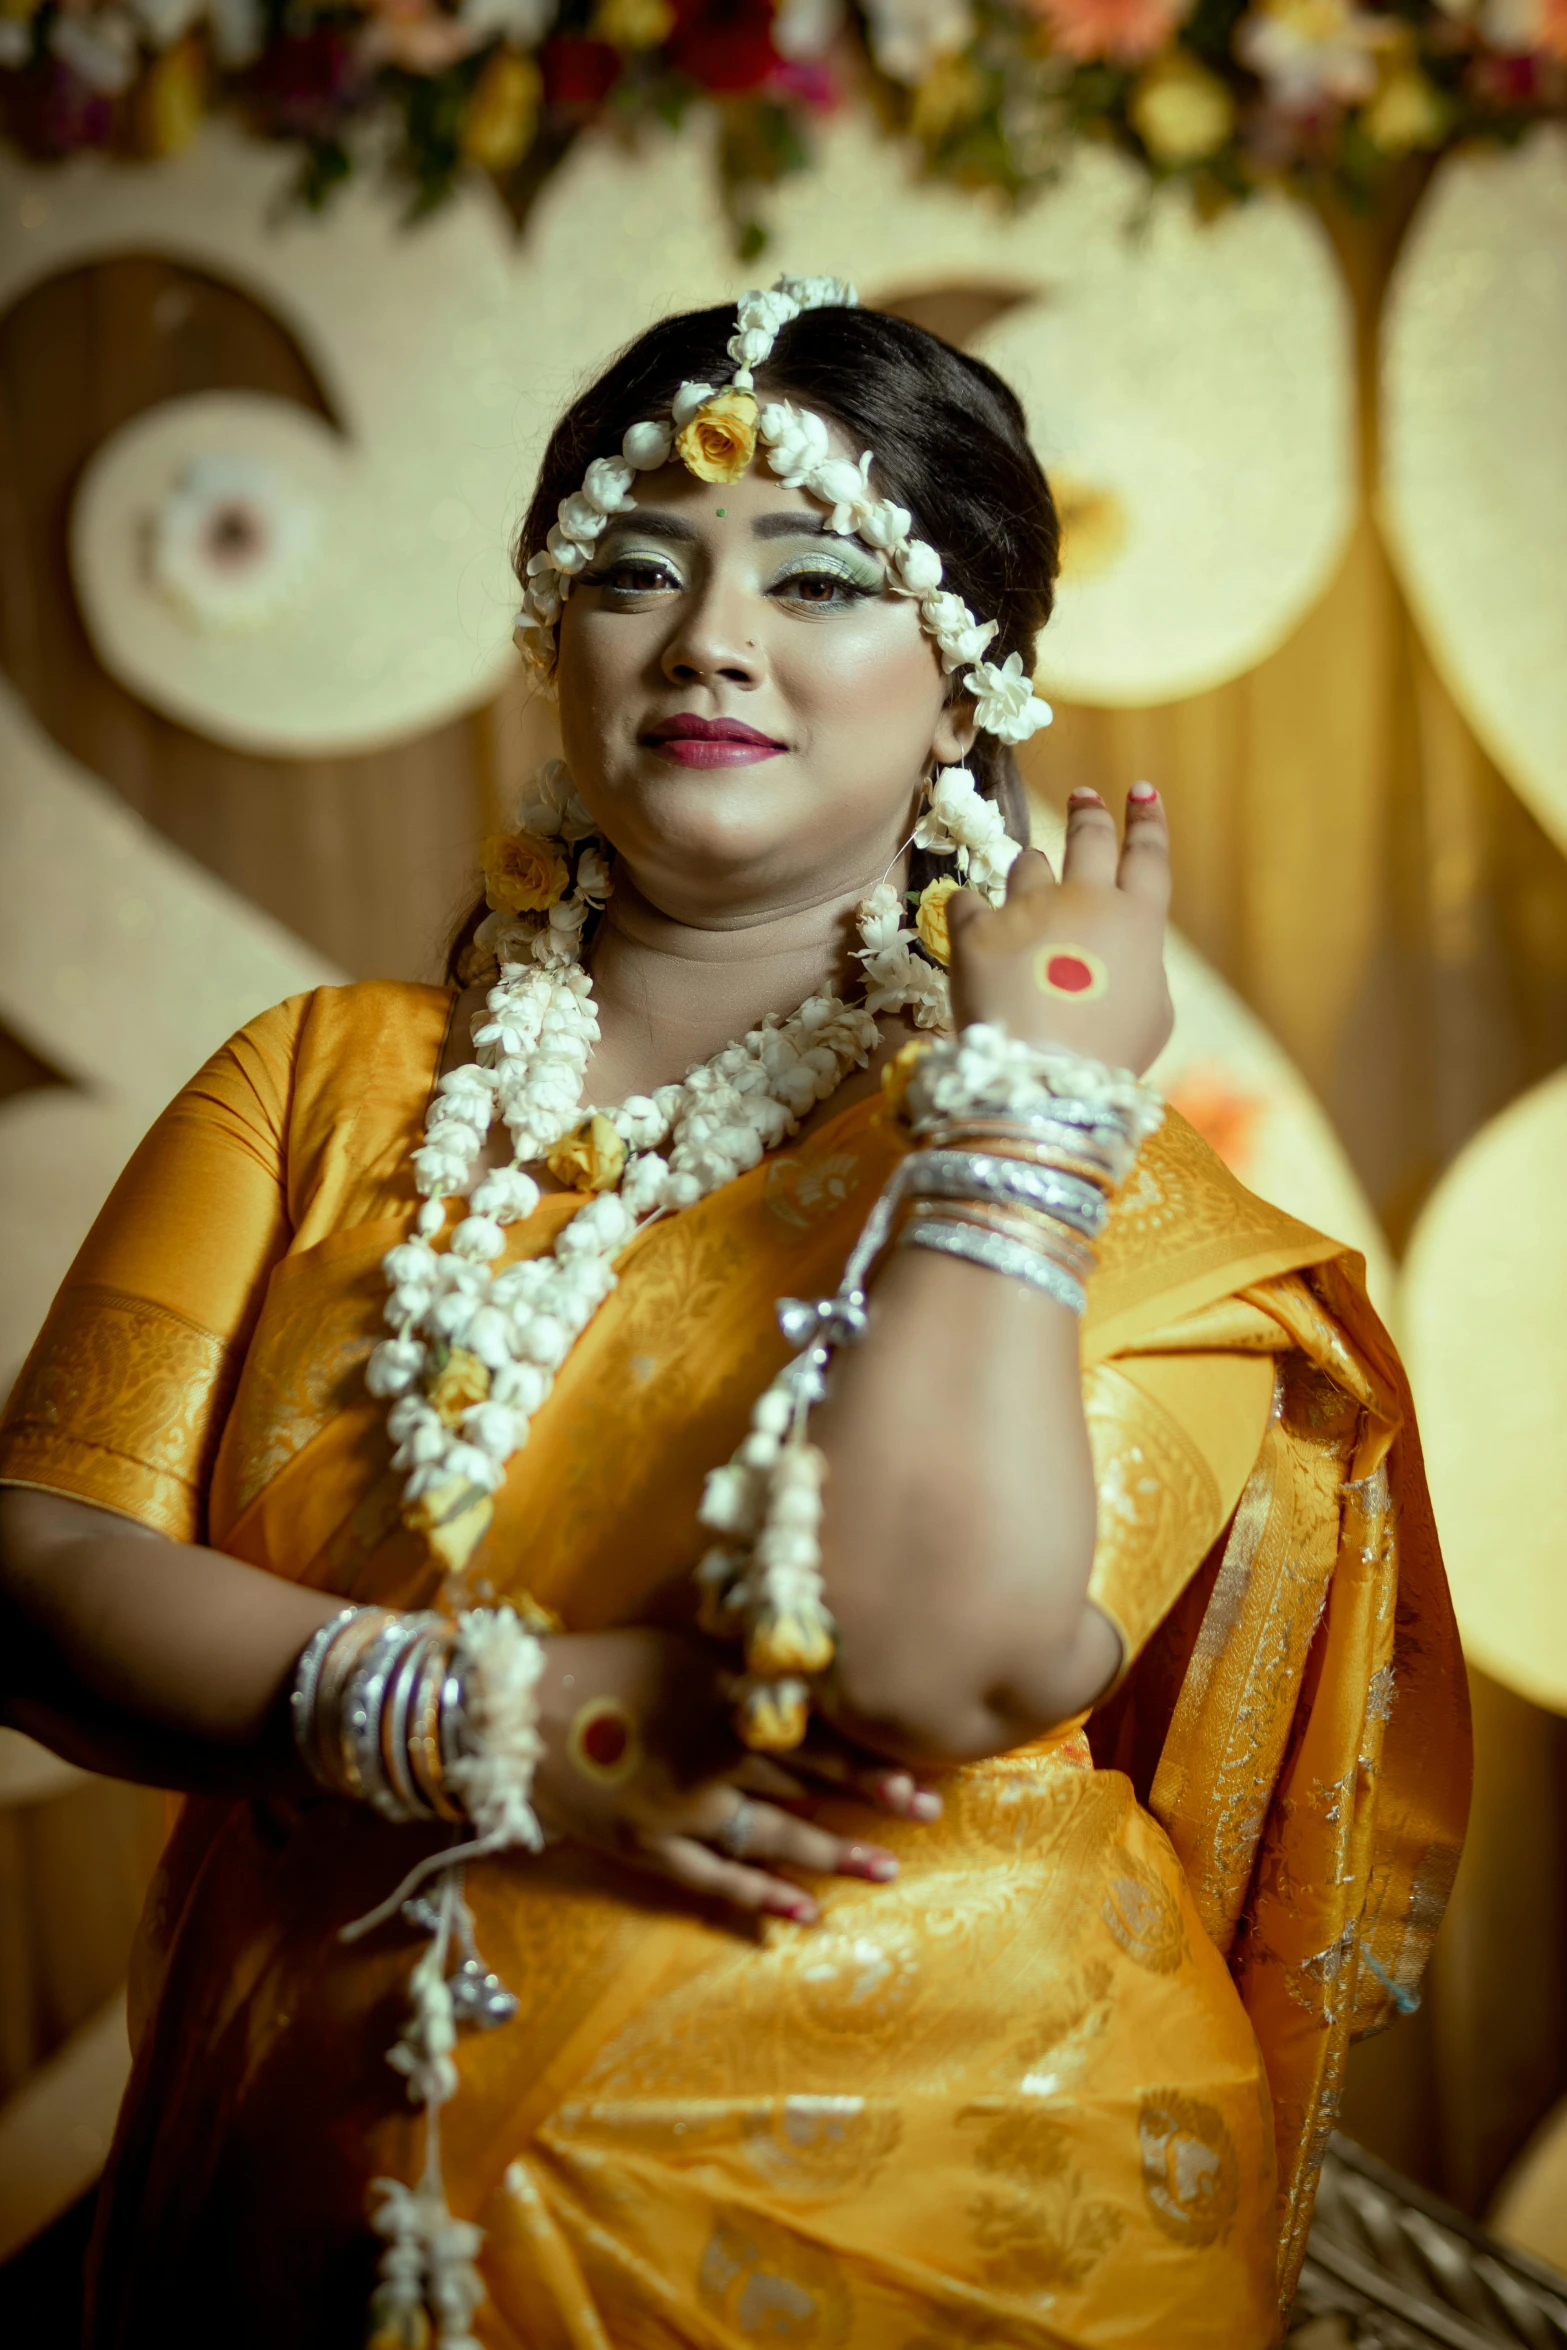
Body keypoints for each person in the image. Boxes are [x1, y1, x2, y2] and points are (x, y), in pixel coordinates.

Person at [0, 280, 1467, 2350]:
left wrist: (1026, 1115)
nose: (710, 638)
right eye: (634, 569)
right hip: (288, 2212)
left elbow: (927, 1657)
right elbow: (44, 1562)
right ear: (554, 645)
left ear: (964, 689)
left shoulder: (1118, 1199)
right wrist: (520, 1726)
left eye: (823, 576)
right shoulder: (317, 1084)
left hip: (950, 2242)